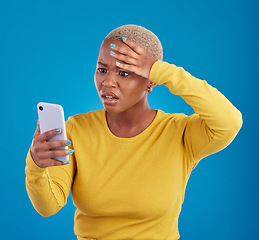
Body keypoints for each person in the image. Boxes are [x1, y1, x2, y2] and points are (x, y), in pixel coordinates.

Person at [25, 24, 243, 240]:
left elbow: (229, 122)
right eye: (102, 69)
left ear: (151, 81)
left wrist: (161, 71)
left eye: (124, 72)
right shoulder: (75, 129)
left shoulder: (180, 133)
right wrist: (36, 165)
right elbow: (48, 206)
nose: (108, 82)